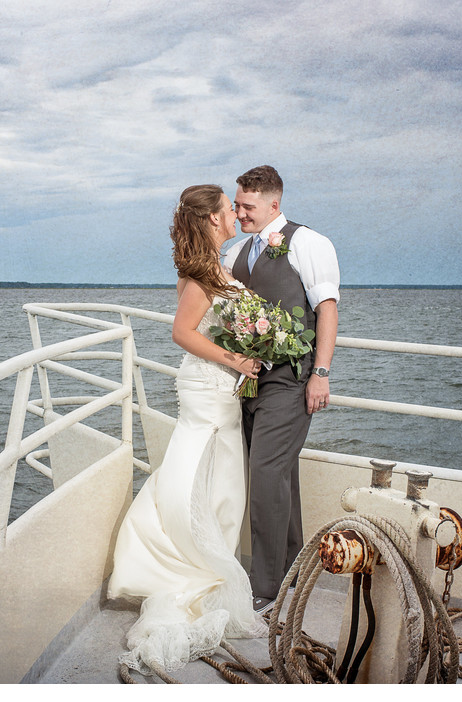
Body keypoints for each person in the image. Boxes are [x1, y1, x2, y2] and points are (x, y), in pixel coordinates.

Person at [108, 184, 267, 677]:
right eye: (228, 208)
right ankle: (183, 558)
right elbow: (182, 332)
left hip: (219, 387)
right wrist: (235, 358)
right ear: (213, 219)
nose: (234, 213)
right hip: (206, 386)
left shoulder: (213, 266)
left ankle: (203, 548)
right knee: (195, 466)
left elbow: (214, 324)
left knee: (217, 477)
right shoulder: (199, 273)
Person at [224, 165, 340, 613]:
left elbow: (325, 311)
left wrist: (321, 373)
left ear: (274, 203)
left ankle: (266, 591)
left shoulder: (309, 243)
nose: (240, 212)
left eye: (248, 206)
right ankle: (292, 572)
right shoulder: (235, 252)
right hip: (248, 382)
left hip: (292, 380)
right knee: (280, 476)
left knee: (267, 476)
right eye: (237, 205)